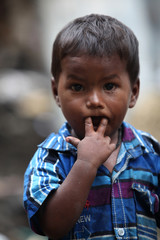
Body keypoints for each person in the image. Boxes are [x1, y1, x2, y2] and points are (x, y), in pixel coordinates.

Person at [23, 14, 160, 240]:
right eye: (77, 86)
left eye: (109, 85)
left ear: (133, 92)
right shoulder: (50, 158)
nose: (95, 100)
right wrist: (86, 164)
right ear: (56, 92)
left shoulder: (151, 152)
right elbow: (52, 226)